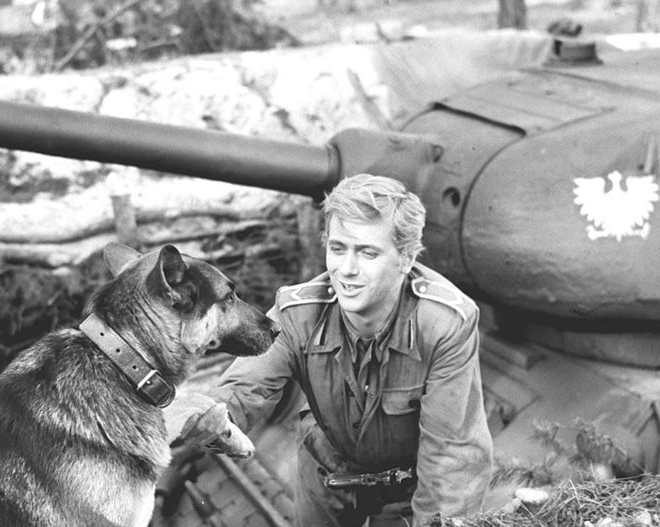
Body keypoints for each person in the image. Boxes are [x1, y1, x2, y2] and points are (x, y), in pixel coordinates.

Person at [181, 173, 493, 527]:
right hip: (326, 473)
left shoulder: (443, 324)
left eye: (368, 252)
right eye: (338, 248)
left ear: (406, 259)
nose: (346, 270)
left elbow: (450, 454)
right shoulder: (298, 313)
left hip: (410, 485)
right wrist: (205, 416)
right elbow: (242, 391)